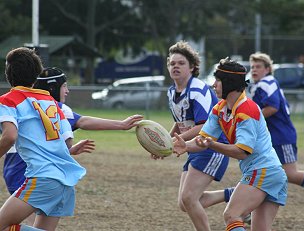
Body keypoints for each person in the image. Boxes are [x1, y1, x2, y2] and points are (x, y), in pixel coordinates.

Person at [2, 66, 144, 226]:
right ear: (52, 88)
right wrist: (121, 124)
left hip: (29, 172)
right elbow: (79, 125)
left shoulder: (15, 102)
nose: (67, 91)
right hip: (44, 173)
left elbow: (11, 135)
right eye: (64, 86)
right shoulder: (55, 106)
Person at [173, 57, 288, 231]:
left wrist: (212, 145)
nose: (213, 85)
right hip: (269, 173)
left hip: (264, 171)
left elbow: (242, 152)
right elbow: (203, 139)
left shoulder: (246, 109)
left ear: (229, 83)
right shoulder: (220, 109)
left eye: (217, 81)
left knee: (232, 215)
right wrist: (186, 146)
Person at [0, 47, 95, 231]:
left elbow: (10, 136)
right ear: (36, 75)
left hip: (43, 178)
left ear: (8, 73)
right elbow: (66, 142)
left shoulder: (8, 100)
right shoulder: (52, 103)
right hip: (65, 181)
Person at [248, 52, 304, 215]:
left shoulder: (267, 82)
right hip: (271, 138)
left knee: (289, 173)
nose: (254, 70)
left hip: (281, 136)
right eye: (252, 67)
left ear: (268, 69)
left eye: (258, 67)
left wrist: (250, 120)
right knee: (263, 171)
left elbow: (273, 107)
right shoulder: (260, 85)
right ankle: (250, 209)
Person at [158, 41, 229, 231]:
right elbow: (180, 123)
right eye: (172, 63)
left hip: (212, 146)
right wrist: (162, 144)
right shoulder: (172, 92)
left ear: (192, 67)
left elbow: (203, 125)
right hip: (194, 147)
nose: (175, 66)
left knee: (189, 198)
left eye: (181, 63)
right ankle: (233, 194)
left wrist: (175, 141)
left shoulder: (197, 89)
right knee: (184, 203)